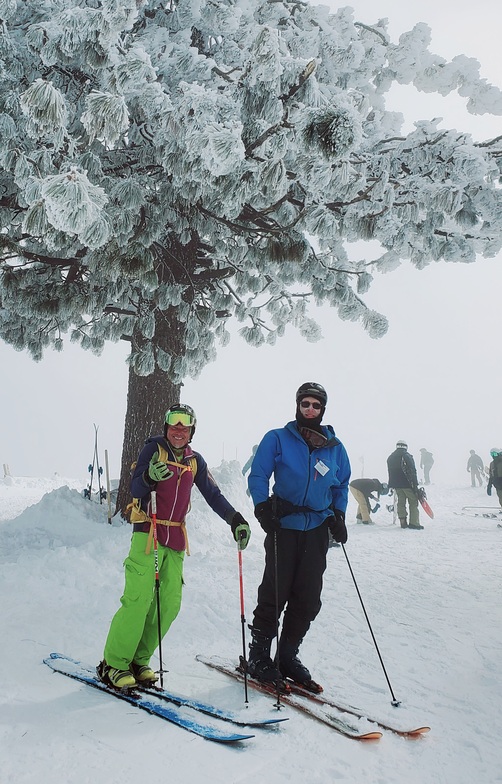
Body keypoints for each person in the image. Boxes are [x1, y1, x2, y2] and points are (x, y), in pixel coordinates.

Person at [98, 403, 251, 690]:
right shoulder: (153, 450)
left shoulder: (195, 461)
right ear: (166, 426)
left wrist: (235, 519)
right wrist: (148, 477)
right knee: (138, 600)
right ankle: (114, 663)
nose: (178, 429)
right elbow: (135, 489)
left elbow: (213, 494)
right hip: (148, 534)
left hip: (176, 540)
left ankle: (138, 660)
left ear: (192, 429)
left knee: (168, 604)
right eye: (173, 423)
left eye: (185, 424)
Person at [247, 382, 351, 692]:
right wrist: (262, 506)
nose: (309, 409)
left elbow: (340, 485)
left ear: (322, 410)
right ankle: (259, 657)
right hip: (284, 525)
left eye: (315, 405)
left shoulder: (335, 448)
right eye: (304, 403)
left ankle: (287, 657)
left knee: (307, 598)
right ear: (297, 406)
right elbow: (258, 474)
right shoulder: (277, 438)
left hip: (317, 529)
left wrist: (340, 514)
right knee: (275, 592)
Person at [387, 440, 423, 530]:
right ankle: (414, 523)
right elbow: (412, 471)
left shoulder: (390, 457)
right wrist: (415, 484)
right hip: (407, 484)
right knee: (413, 502)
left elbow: (390, 472)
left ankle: (403, 522)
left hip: (396, 485)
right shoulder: (406, 456)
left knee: (401, 503)